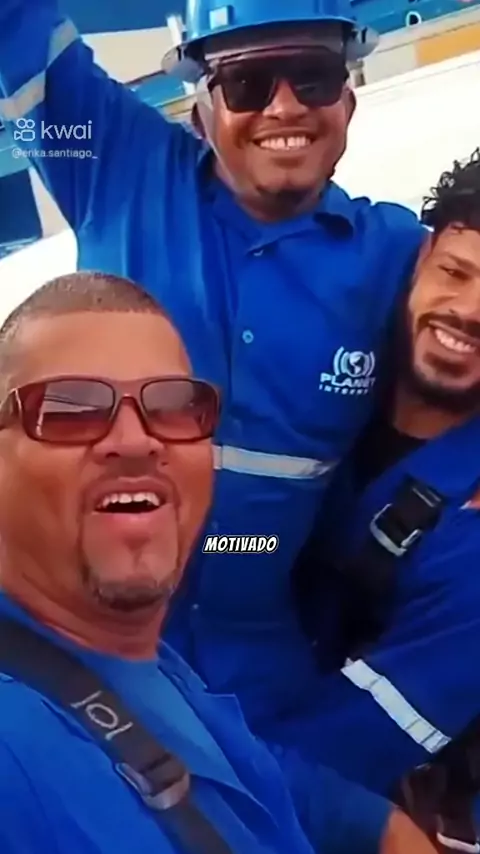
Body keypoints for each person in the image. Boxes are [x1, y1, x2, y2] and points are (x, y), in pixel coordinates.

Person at [0, 0, 425, 735]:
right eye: (248, 83)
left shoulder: (399, 259)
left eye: (314, 77)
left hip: (266, 673)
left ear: (349, 101)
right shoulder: (114, 166)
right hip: (75, 658)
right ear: (200, 110)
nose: (284, 107)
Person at [0, 269, 436, 854]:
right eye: (70, 409)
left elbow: (234, 775)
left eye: (175, 406)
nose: (136, 440)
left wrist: (370, 821)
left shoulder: (141, 660)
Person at [288, 149, 480, 840]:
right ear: (422, 256)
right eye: (456, 272)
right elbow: (244, 542)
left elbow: (342, 751)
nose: (469, 312)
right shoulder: (317, 392)